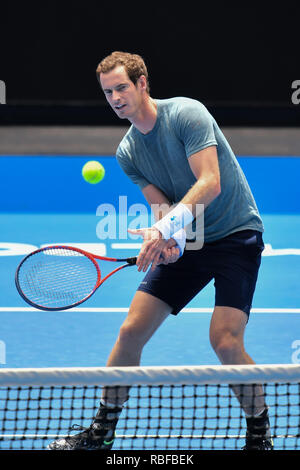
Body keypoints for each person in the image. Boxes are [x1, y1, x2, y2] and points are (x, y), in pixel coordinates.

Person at [48, 51, 273, 451]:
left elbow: (211, 183)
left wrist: (162, 230)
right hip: (196, 239)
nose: (115, 98)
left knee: (224, 341)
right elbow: (165, 209)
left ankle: (259, 434)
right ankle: (102, 431)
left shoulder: (187, 114)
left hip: (237, 235)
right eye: (107, 92)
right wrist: (171, 244)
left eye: (121, 88)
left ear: (142, 84)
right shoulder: (127, 153)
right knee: (131, 331)